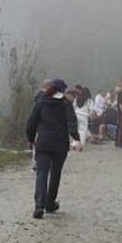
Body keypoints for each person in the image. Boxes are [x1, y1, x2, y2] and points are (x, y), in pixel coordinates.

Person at [26, 78, 82, 219]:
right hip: (60, 144)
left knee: (41, 173)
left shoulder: (40, 103)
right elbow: (71, 122)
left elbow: (31, 124)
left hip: (43, 143)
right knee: (55, 174)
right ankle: (50, 203)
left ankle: (39, 206)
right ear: (61, 90)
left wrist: (31, 140)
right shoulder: (65, 104)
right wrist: (76, 138)